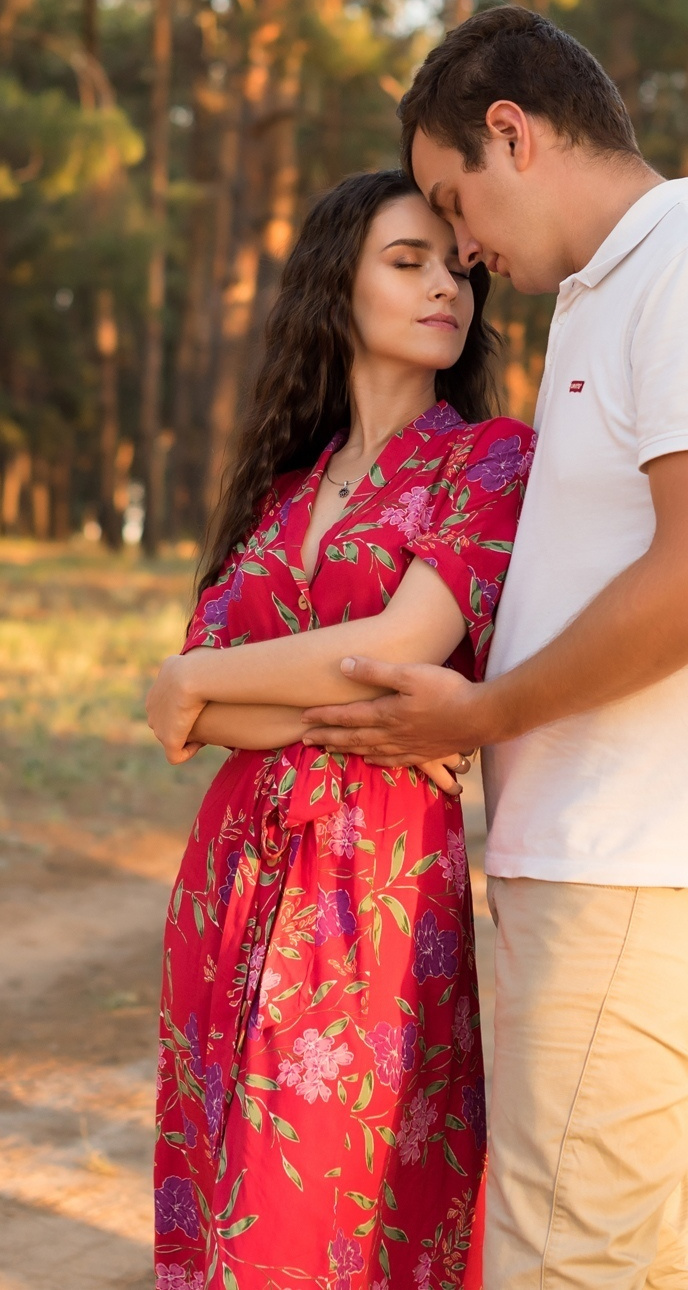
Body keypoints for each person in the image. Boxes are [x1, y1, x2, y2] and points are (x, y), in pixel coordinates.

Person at [303, 7, 688, 1290]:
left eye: (456, 199)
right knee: (624, 1258)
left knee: (557, 1262)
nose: (465, 249)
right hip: (601, 857)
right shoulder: (617, 294)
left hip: (644, 858)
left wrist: (477, 719)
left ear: (514, 132)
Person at [145, 168, 534, 1290]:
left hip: (377, 879)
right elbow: (201, 723)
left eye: (457, 269)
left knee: (336, 1204)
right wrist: (211, 690)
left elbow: (401, 649)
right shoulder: (281, 485)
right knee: (225, 1200)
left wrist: (200, 674)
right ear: (337, 287)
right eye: (406, 262)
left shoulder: (487, 459)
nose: (444, 290)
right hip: (230, 880)